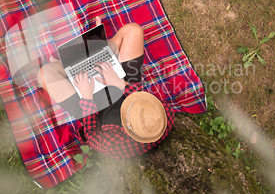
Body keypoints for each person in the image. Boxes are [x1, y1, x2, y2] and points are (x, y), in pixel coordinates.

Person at [37, 17, 175, 159]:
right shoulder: (163, 118)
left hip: (95, 109)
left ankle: (71, 65)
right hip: (123, 86)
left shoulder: (111, 145)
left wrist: (87, 96)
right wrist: (117, 81)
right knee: (133, 30)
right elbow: (139, 93)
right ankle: (99, 52)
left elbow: (91, 132)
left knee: (44, 74)